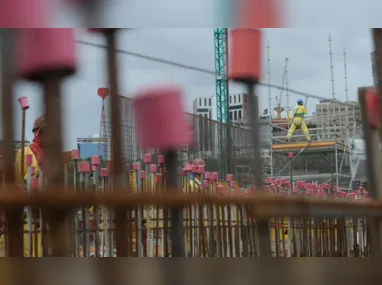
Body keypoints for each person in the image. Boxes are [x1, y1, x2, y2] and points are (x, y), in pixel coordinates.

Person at [15, 115, 44, 257]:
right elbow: (16, 181)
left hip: (47, 212)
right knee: (29, 251)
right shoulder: (24, 153)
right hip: (28, 212)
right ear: (37, 133)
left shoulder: (54, 157)